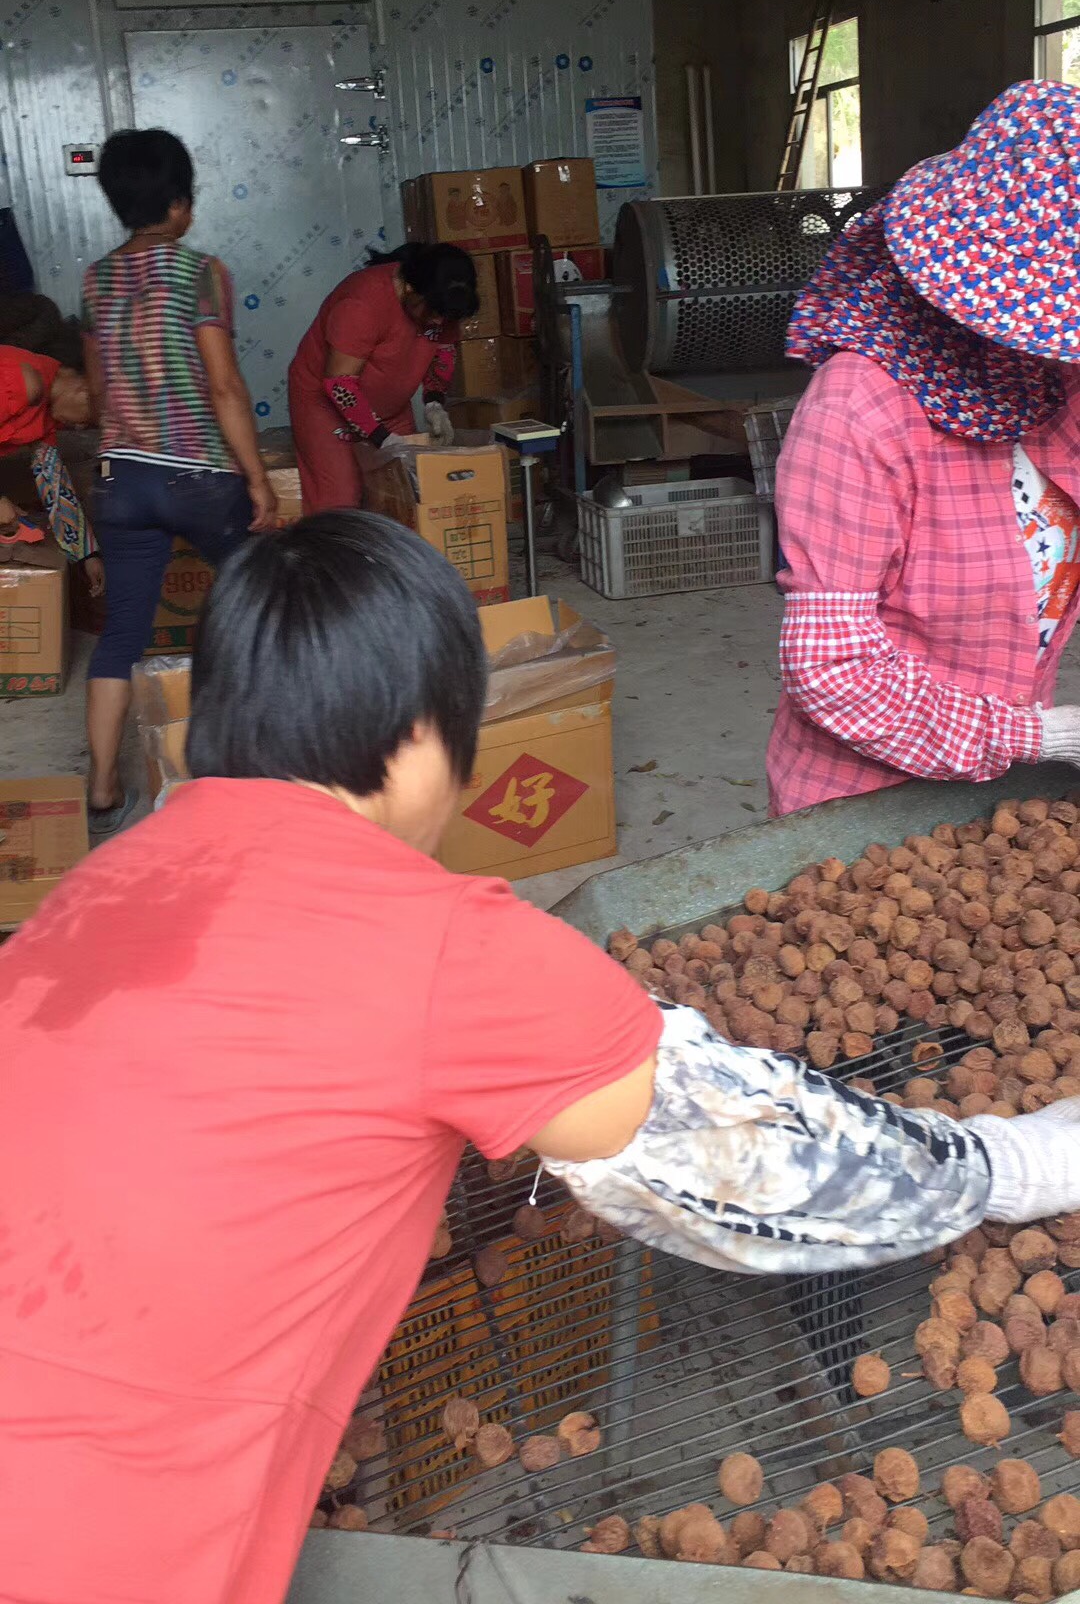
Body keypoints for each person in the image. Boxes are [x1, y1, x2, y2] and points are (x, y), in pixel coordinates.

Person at [0, 508, 1076, 1604]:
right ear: (427, 731)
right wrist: (1012, 1163)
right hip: (100, 1546)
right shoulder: (443, 947)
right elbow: (755, 1170)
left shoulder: (83, 899)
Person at [769, 79, 1080, 816]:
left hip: (1008, 800)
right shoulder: (857, 413)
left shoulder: (1052, 383)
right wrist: (1040, 738)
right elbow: (833, 667)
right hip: (865, 810)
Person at [81, 127, 278, 837]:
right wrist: (257, 478)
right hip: (198, 475)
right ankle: (261, 765)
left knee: (121, 634)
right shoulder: (201, 271)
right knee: (259, 606)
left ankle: (103, 791)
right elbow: (224, 385)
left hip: (121, 477)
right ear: (178, 204)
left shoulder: (96, 278)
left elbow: (100, 391)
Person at [288, 240, 478, 514]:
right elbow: (339, 383)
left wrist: (434, 401)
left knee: (405, 492)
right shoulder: (362, 304)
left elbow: (443, 353)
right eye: (434, 313)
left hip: (390, 407)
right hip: (325, 407)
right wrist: (382, 438)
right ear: (411, 289)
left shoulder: (442, 304)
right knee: (340, 501)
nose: (439, 322)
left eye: (446, 317)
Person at [0, 343, 102, 589]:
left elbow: (55, 486)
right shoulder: (26, 382)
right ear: (82, 389)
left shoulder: (44, 420)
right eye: (87, 421)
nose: (78, 429)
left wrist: (87, 555)